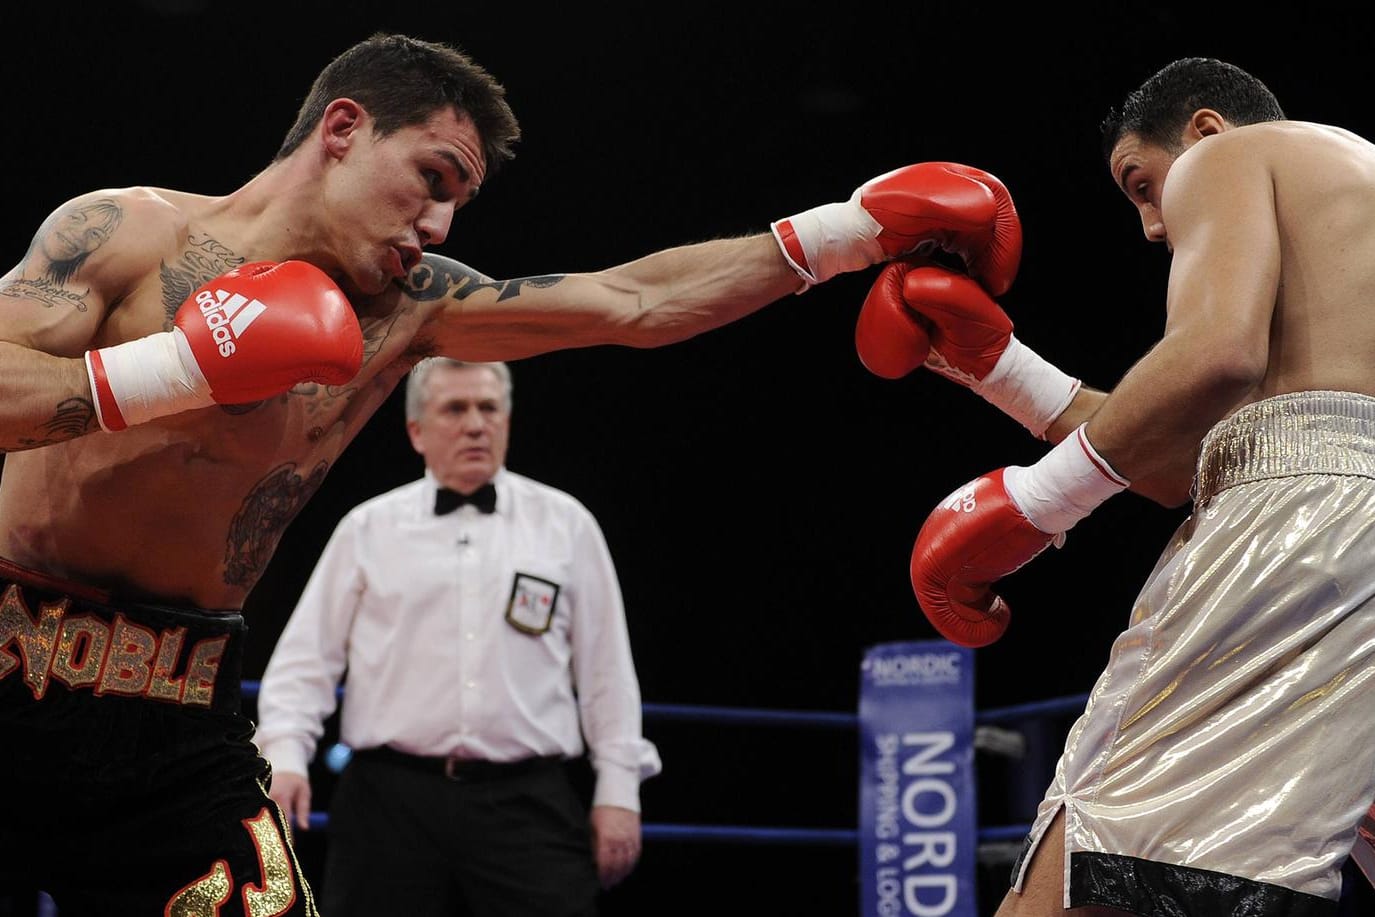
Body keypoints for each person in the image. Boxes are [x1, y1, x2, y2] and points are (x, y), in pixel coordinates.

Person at [0, 29, 1024, 915]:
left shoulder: (409, 312)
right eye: (432, 178)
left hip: (180, 718)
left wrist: (845, 233)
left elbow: (632, 303)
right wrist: (180, 364)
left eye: (459, 201)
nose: (439, 226)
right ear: (344, 127)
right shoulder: (127, 231)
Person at [861, 57, 1375, 915]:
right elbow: (1200, 463)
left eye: (1142, 183)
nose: (1149, 225)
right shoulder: (1345, 205)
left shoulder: (1232, 156)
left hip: (1305, 534)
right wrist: (1005, 371)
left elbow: (1217, 357)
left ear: (1206, 128)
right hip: (1340, 536)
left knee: (1088, 862)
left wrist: (1036, 503)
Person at [254, 357, 658, 916]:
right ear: (417, 431)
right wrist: (286, 757)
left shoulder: (566, 525)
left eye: (488, 408)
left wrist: (619, 789)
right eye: (455, 409)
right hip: (388, 803)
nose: (475, 424)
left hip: (526, 800)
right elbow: (305, 663)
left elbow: (607, 673)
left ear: (508, 422)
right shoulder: (368, 529)